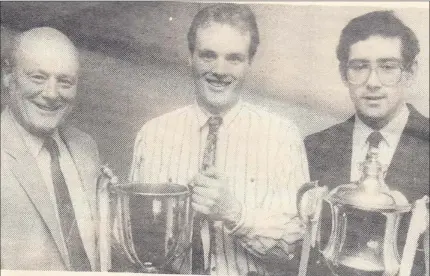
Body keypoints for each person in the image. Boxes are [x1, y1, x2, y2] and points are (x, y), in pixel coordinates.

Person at [129, 3, 310, 275]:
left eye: (234, 58)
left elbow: (293, 249)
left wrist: (233, 213)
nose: (219, 70)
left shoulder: (282, 137)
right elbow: (135, 239)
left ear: (249, 62)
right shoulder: (153, 135)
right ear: (191, 57)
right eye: (208, 55)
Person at [305, 11, 429, 276]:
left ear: (410, 72)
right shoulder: (314, 148)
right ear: (343, 73)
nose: (372, 82)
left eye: (388, 67)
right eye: (359, 67)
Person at [1, 27, 100, 271]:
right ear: (7, 75)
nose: (51, 94)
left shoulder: (86, 148)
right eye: (38, 77)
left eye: (65, 81)